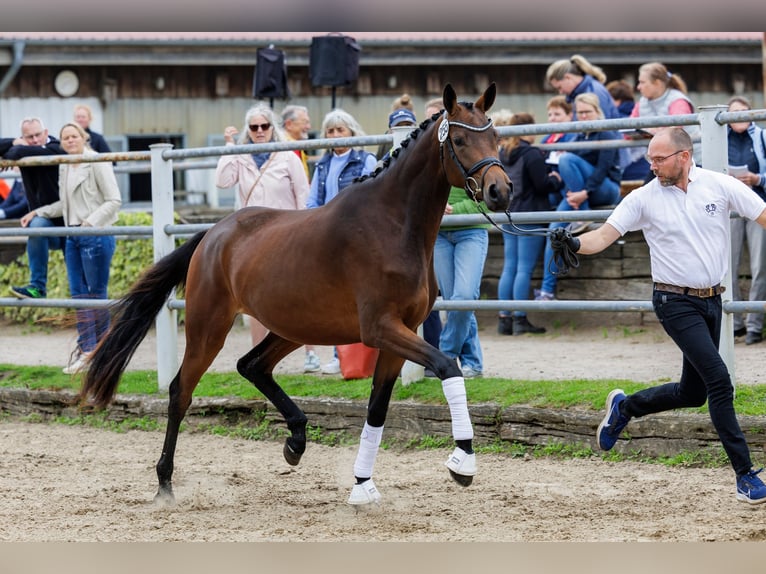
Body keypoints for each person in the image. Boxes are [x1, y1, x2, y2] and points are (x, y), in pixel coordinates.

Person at [556, 127, 766, 504]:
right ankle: (745, 475)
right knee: (719, 380)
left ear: (684, 156)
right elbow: (603, 236)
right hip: (673, 301)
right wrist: (574, 242)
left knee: (693, 392)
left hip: (711, 301)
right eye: (650, 158)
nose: (651, 165)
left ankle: (626, 407)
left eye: (658, 158)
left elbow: (762, 213)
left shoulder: (718, 185)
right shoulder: (643, 198)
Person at [216, 102, 312, 367]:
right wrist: (229, 146)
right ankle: (259, 355)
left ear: (272, 127)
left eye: (264, 126)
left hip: (286, 234)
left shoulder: (288, 156)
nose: (259, 131)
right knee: (254, 299)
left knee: (297, 293)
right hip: (252, 238)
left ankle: (310, 353)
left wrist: (305, 231)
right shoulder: (241, 155)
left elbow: (303, 195)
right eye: (254, 127)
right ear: (248, 130)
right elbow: (222, 181)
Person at [22, 122, 121, 374]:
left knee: (96, 294)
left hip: (94, 233)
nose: (69, 140)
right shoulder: (65, 164)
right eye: (65, 138)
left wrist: (89, 223)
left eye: (74, 136)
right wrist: (37, 211)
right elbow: (63, 203)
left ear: (83, 137)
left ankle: (100, 352)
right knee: (78, 294)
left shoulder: (97, 161)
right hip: (72, 235)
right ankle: (87, 350)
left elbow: (114, 200)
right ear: (62, 141)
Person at [305, 108, 377, 374]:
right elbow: (313, 199)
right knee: (332, 296)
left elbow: (373, 199)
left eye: (340, 130)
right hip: (327, 235)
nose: (335, 135)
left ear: (351, 131)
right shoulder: (322, 164)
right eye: (331, 131)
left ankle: (359, 355)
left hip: (355, 237)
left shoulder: (365, 161)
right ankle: (339, 354)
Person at [536, 93, 622, 302]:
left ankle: (582, 214)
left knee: (566, 158)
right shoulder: (578, 135)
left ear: (597, 112)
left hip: (605, 189)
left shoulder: (606, 133)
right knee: (554, 229)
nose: (583, 116)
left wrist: (584, 193)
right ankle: (547, 291)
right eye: (580, 112)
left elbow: (603, 169)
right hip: (579, 195)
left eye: (587, 112)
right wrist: (571, 190)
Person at [496, 112, 562, 336]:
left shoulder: (504, 152)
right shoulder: (532, 153)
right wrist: (555, 179)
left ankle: (504, 318)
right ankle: (520, 318)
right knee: (524, 268)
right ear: (528, 129)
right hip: (531, 215)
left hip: (509, 213)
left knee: (510, 267)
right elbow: (542, 185)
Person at [1, 117, 66, 299]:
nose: (35, 140)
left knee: (81, 285)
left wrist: (15, 150)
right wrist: (13, 143)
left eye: (38, 135)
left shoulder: (57, 147)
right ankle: (37, 287)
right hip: (45, 222)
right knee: (36, 225)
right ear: (22, 137)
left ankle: (95, 323)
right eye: (29, 137)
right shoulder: (25, 148)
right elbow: (17, 149)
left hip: (72, 221)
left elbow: (19, 151)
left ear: (46, 133)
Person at [726, 95, 766, 345]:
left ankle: (755, 324)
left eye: (743, 111)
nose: (739, 116)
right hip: (730, 207)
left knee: (759, 266)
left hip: (757, 203)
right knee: (727, 265)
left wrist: (757, 179)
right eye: (734, 112)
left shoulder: (761, 136)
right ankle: (734, 322)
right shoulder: (718, 137)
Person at [630, 61, 700, 178]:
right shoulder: (642, 103)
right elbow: (629, 127)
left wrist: (653, 131)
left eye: (642, 82)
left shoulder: (678, 100)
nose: (638, 87)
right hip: (663, 160)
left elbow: (676, 129)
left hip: (692, 160)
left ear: (657, 83)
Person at [607, 79, 651, 182]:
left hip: (628, 172)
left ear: (616, 100)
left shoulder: (615, 119)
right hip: (646, 169)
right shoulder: (640, 113)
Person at [539, 95, 576, 209]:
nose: (552, 118)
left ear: (570, 115)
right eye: (550, 114)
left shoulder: (573, 136)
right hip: (551, 184)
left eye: (557, 114)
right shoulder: (546, 139)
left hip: (567, 186)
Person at [280, 104, 312, 178]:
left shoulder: (296, 145)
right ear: (289, 124)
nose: (309, 127)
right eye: (305, 122)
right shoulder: (283, 148)